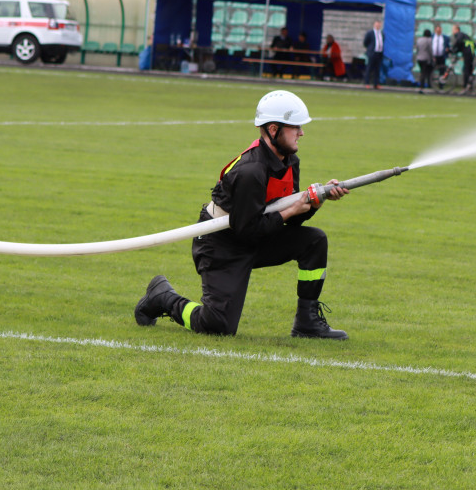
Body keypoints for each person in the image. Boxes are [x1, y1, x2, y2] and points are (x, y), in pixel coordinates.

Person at [134, 90, 349, 340]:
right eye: (295, 127)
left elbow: (288, 220)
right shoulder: (251, 171)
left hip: (254, 234)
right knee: (218, 325)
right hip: (221, 241)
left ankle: (307, 321)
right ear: (272, 129)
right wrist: (291, 209)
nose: (301, 132)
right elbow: (247, 230)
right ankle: (163, 297)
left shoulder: (290, 161)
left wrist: (315, 202)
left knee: (314, 240)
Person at [451, 24, 476, 92]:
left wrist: (452, 49)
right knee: (469, 70)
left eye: (453, 30)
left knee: (466, 70)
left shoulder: (459, 34)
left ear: (457, 30)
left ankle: (465, 87)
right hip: (471, 53)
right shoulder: (464, 35)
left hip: (467, 53)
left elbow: (458, 42)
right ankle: (470, 87)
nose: (452, 31)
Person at [363, 19, 384, 89]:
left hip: (379, 53)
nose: (378, 25)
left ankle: (376, 83)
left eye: (379, 24)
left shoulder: (382, 33)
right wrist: (369, 50)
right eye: (377, 24)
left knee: (377, 69)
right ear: (374, 25)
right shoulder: (370, 33)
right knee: (369, 68)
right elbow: (365, 42)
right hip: (372, 53)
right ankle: (367, 83)